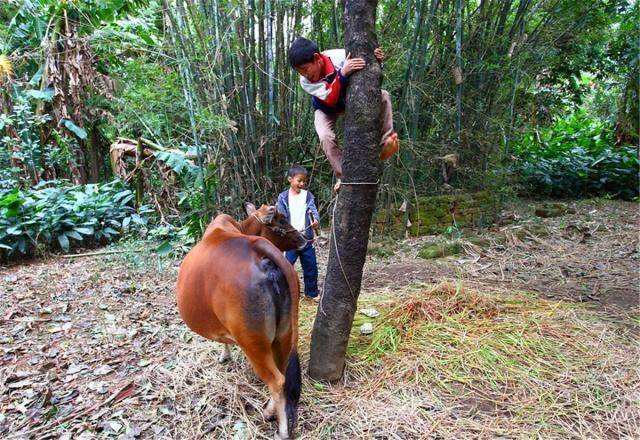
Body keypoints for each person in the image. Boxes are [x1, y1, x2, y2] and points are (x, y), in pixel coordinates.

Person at [288, 37, 399, 190]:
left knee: (384, 95)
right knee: (324, 135)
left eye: (306, 69)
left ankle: (386, 142)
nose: (305, 75)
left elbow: (368, 73)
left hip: (348, 100)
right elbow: (330, 98)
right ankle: (343, 175)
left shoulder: (340, 57)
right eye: (301, 72)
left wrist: (377, 60)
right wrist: (343, 73)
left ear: (316, 58)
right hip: (325, 107)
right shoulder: (304, 81)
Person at [276, 165, 320, 302]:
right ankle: (283, 294)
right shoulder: (283, 197)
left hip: (306, 239)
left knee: (311, 267)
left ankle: (311, 294)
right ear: (290, 179)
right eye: (299, 181)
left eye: (303, 181)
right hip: (290, 240)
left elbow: (313, 211)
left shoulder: (308, 196)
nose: (301, 184)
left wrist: (316, 221)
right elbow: (280, 218)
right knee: (285, 266)